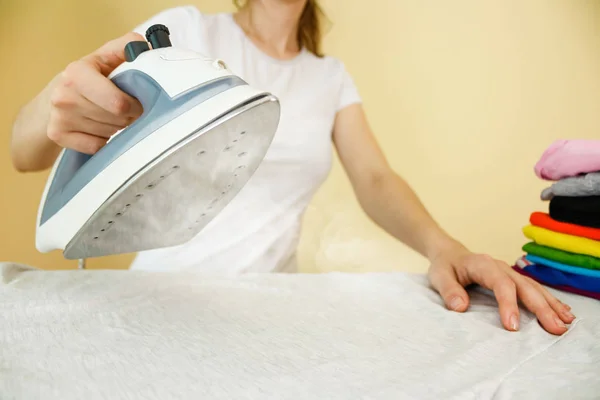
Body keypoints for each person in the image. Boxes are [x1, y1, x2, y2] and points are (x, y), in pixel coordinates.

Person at [9, 0, 575, 335]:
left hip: (269, 312)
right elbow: (23, 151)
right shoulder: (188, 32)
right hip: (156, 301)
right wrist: (56, 106)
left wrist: (445, 249)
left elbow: (375, 180)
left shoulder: (329, 77)